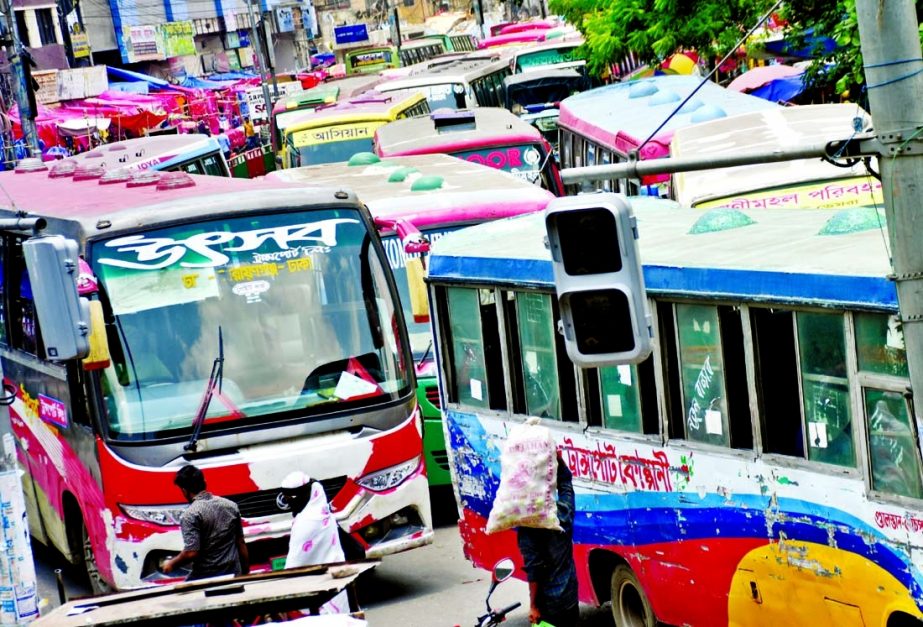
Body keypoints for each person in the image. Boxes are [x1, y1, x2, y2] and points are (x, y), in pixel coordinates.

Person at [517, 451, 578, 627]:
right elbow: (566, 483)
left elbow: (534, 569)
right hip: (569, 598)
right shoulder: (564, 512)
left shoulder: (529, 526)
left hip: (549, 606)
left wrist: (533, 606)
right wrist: (558, 458)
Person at [162, 464, 249, 580]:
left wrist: (171, 563)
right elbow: (240, 542)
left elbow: (191, 552)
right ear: (204, 482)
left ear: (184, 490)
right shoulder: (231, 506)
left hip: (206, 578)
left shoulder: (190, 515)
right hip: (233, 573)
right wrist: (245, 572)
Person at [279, 471, 350, 614]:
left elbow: (294, 565)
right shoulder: (324, 513)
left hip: (319, 593)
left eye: (290, 498)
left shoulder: (305, 523)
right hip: (338, 585)